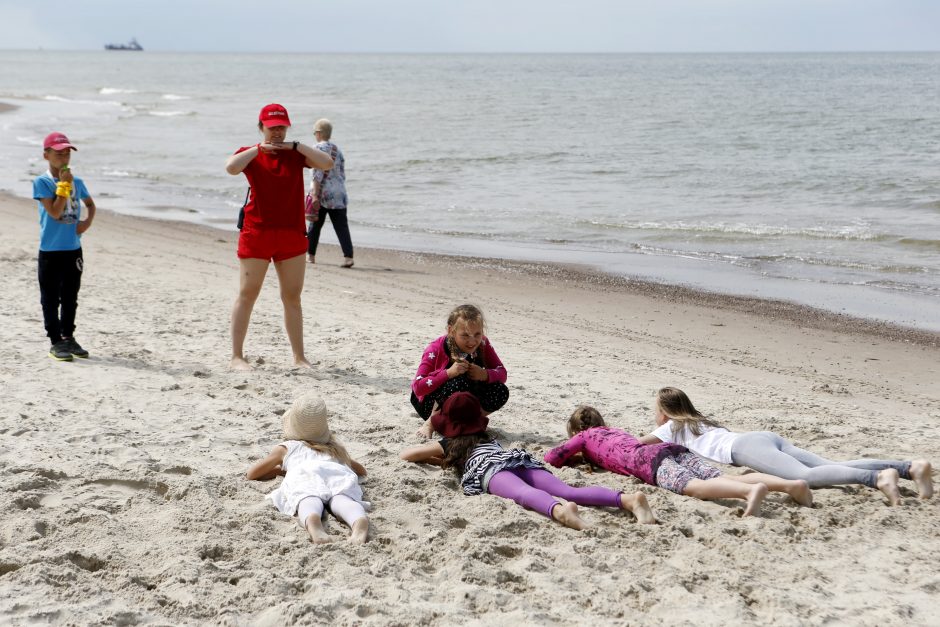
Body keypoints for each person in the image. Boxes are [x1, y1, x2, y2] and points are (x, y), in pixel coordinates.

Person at [638, 387, 934, 506]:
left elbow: (638, 445)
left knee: (808, 477)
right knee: (826, 465)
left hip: (745, 448)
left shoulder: (670, 426)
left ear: (664, 411)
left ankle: (878, 478)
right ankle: (909, 468)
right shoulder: (701, 420)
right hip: (763, 437)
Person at [400, 392, 656, 530]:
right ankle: (628, 500)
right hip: (514, 459)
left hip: (488, 469)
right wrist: (447, 459)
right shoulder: (485, 437)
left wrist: (442, 456)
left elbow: (407, 455)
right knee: (566, 490)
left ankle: (560, 512)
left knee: (523, 493)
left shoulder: (449, 444)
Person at [546, 406, 813, 516]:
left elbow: (552, 458)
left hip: (646, 461)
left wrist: (575, 453)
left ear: (575, 431)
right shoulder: (616, 431)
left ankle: (749, 491)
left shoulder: (584, 437)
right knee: (722, 479)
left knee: (696, 487)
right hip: (668, 448)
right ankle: (790, 485)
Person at [225, 104, 334, 371]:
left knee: (292, 296)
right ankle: (237, 357)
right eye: (272, 128)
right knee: (248, 293)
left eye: (282, 127)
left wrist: (296, 146)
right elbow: (231, 167)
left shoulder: (296, 154)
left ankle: (299, 357)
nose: (277, 132)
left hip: (291, 233)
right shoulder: (250, 154)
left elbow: (326, 163)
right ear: (261, 127)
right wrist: (258, 149)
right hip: (256, 233)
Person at [246, 392, 370, 544]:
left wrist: (282, 471)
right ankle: (358, 521)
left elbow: (252, 474)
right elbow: (361, 470)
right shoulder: (334, 448)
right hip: (337, 473)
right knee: (343, 500)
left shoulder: (287, 448)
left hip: (304, 473)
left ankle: (313, 523)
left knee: (307, 499)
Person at [32, 132, 97, 361]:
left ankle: (68, 337)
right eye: (59, 154)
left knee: (70, 296)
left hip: (73, 249)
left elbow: (90, 204)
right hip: (50, 250)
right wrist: (63, 186)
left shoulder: (77, 182)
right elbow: (55, 212)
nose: (64, 158)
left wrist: (85, 223)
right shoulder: (42, 182)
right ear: (46, 155)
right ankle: (56, 341)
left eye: (67, 153)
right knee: (50, 298)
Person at [411, 304, 509, 439]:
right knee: (459, 380)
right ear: (451, 331)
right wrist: (448, 373)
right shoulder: (435, 348)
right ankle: (430, 424)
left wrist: (484, 374)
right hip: (431, 403)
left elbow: (502, 373)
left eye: (477, 334)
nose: (472, 341)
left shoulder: (483, 344)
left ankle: (469, 421)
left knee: (501, 390)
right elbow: (417, 388)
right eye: (465, 335)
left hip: (463, 400)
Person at [305, 119, 353, 268]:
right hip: (339, 192)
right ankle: (348, 257)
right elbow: (342, 173)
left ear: (318, 133)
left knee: (315, 225)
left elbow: (317, 173)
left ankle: (311, 255)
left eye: (315, 133)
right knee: (341, 226)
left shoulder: (316, 149)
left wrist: (314, 195)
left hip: (323, 193)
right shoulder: (337, 150)